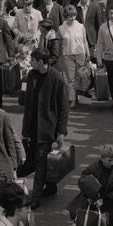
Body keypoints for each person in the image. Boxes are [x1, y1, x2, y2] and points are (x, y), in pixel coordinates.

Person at [21, 49, 69, 210]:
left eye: (33, 60)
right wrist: (25, 130)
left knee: (40, 162)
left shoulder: (57, 78)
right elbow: (27, 103)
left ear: (41, 62)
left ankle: (36, 197)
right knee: (36, 160)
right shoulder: (32, 75)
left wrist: (61, 131)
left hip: (47, 128)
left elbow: (63, 107)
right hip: (32, 126)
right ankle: (51, 186)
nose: (30, 63)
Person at [56, 4, 91, 107]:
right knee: (70, 79)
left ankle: (83, 99)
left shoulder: (81, 26)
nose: (71, 18)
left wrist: (87, 53)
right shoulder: (61, 28)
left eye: (73, 15)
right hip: (67, 55)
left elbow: (84, 41)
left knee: (82, 77)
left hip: (80, 54)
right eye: (69, 16)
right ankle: (72, 100)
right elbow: (59, 43)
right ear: (65, 16)